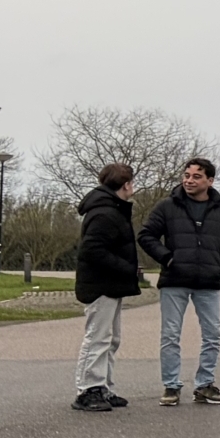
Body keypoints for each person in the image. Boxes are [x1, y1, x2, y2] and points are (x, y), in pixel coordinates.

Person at [138, 155, 220, 407]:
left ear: (210, 180)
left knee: (212, 335)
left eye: (196, 176)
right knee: (170, 335)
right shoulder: (167, 206)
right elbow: (146, 235)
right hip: (174, 280)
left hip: (208, 282)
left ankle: (205, 385)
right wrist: (167, 258)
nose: (189, 180)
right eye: (186, 175)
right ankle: (171, 386)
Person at [70, 162, 142, 413]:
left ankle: (103, 386)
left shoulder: (113, 209)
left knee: (111, 339)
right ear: (125, 185)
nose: (133, 186)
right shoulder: (104, 213)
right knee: (97, 338)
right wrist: (126, 268)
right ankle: (87, 390)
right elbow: (92, 250)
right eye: (131, 182)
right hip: (100, 285)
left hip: (111, 285)